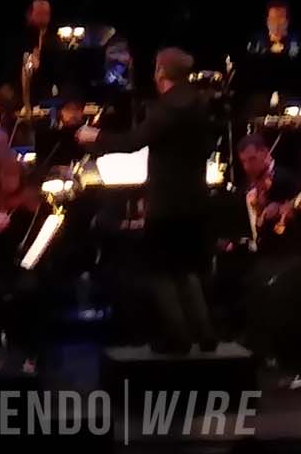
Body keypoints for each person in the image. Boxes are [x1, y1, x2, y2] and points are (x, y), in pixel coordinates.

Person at [76, 46, 218, 354]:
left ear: (161, 72)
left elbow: (133, 142)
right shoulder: (200, 103)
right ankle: (206, 334)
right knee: (186, 269)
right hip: (196, 199)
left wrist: (95, 137)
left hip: (168, 202)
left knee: (160, 272)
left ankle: (178, 338)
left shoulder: (166, 107)